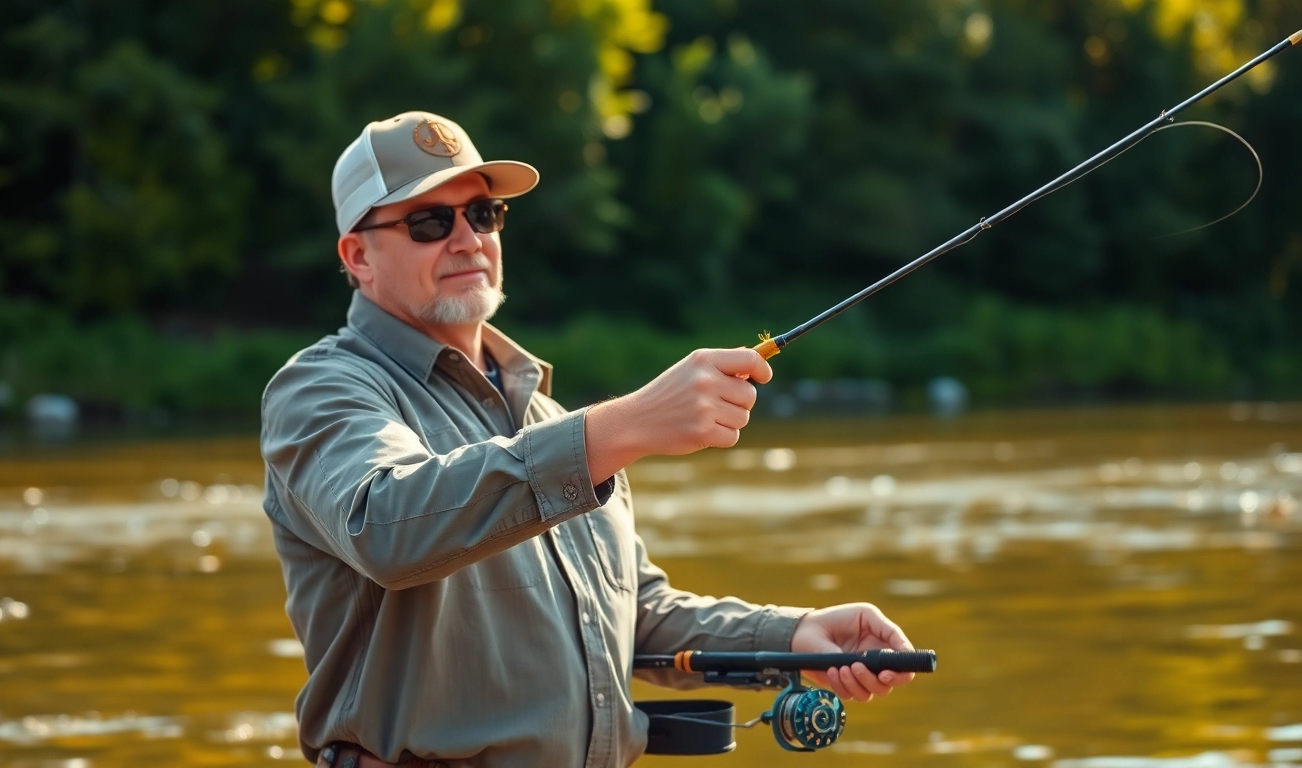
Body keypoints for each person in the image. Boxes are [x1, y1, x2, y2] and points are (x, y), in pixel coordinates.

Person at [260, 111, 918, 768]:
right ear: (358, 256)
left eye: (483, 215)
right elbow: (384, 526)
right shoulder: (321, 389)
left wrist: (794, 634)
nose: (467, 240)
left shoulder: (548, 418)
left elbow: (631, 615)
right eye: (429, 222)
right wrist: (623, 426)